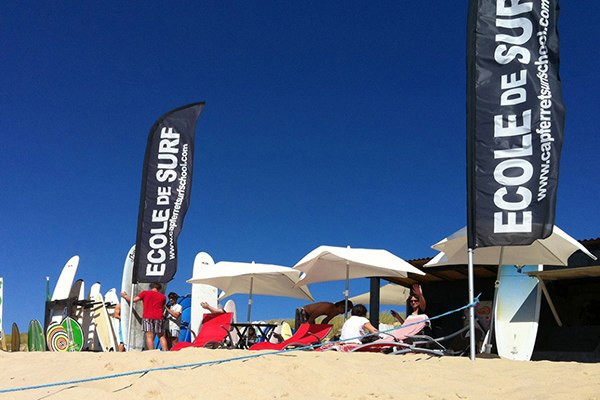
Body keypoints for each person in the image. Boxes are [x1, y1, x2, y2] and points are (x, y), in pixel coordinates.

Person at [121, 282, 168, 351]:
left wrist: (125, 296)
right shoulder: (163, 297)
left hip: (147, 316)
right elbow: (162, 306)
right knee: (161, 335)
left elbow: (133, 300)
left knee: (149, 336)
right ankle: (165, 351)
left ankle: (152, 351)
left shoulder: (145, 293)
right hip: (159, 317)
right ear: (159, 288)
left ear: (150, 287)